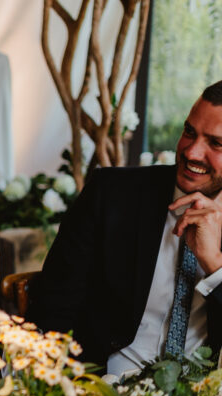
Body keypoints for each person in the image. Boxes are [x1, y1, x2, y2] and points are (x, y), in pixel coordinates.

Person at [28, 80, 222, 375]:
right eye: (189, 132)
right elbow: (53, 305)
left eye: (216, 143)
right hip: (103, 390)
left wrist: (215, 267)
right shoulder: (111, 193)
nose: (192, 152)